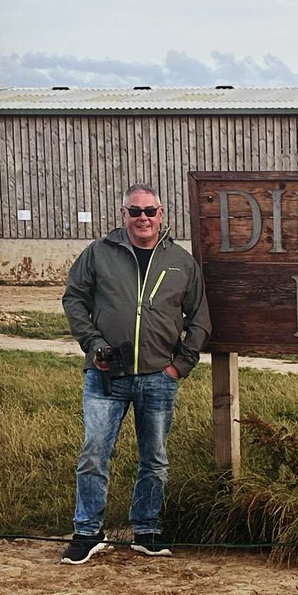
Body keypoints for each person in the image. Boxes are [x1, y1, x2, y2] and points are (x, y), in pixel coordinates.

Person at [59, 183, 211, 565]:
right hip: (106, 375)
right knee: (94, 453)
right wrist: (93, 343)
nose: (143, 218)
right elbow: (74, 298)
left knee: (154, 459)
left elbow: (199, 317)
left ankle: (147, 529)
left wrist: (181, 365)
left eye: (150, 211)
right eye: (134, 211)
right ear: (123, 215)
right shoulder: (98, 253)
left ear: (162, 214)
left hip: (159, 377)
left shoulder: (181, 261)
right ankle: (87, 531)